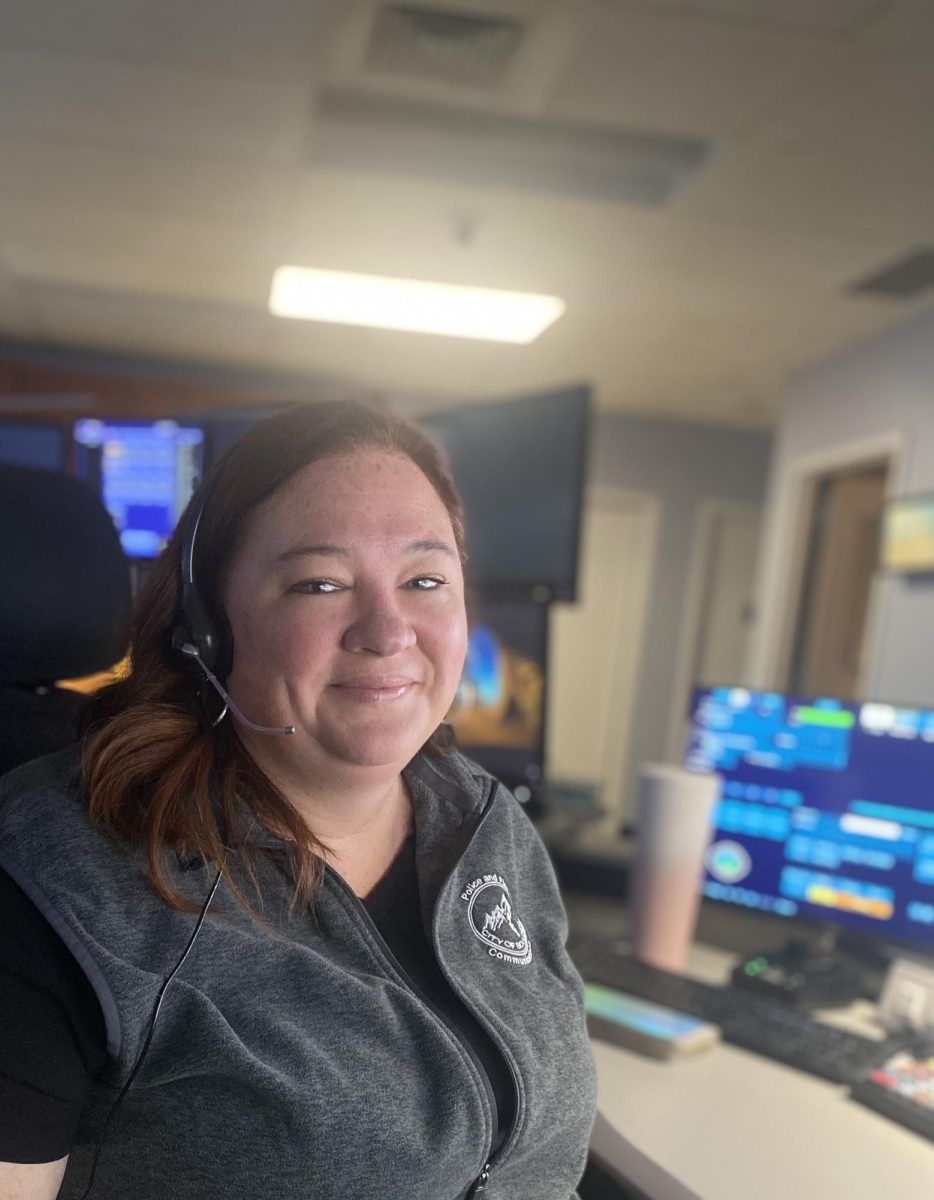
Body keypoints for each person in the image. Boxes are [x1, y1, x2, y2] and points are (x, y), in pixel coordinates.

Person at [0, 401, 597, 1200]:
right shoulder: (57, 888)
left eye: (425, 579)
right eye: (319, 584)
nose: (388, 632)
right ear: (206, 627)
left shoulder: (486, 822)